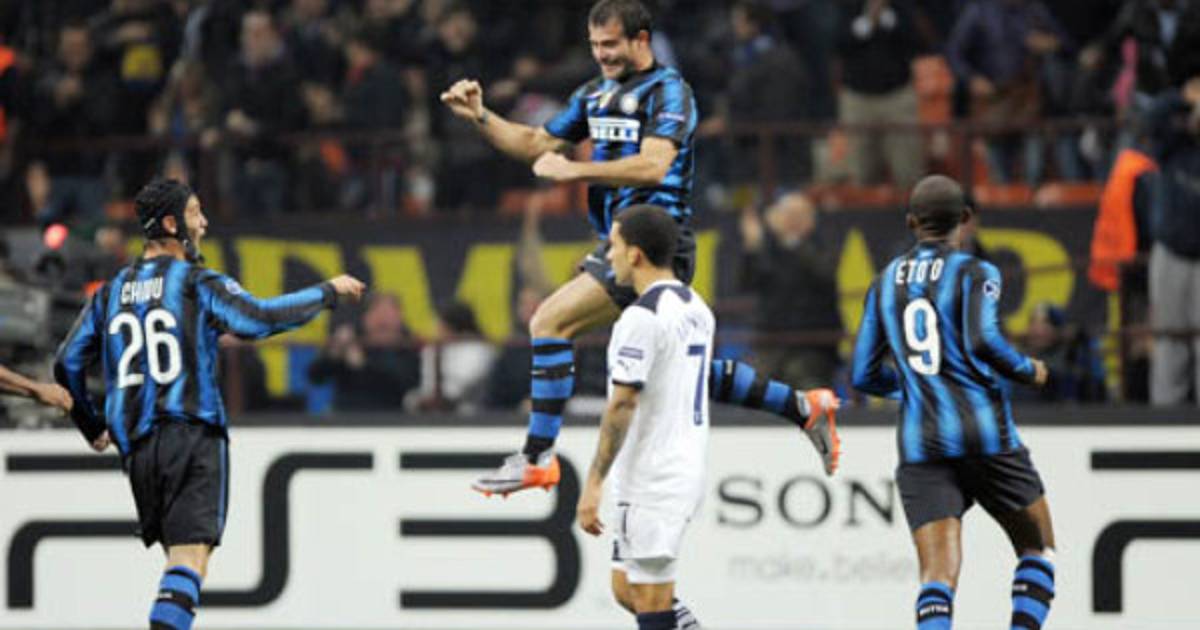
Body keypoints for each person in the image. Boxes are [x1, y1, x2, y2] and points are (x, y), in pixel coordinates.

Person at [441, 0, 839, 496]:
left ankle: (537, 457)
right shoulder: (594, 94)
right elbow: (535, 143)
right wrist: (481, 116)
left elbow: (653, 165)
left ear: (641, 40)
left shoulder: (670, 92)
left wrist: (575, 169)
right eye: (595, 46)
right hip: (619, 244)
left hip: (654, 242)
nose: (602, 55)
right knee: (675, 368)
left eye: (611, 44)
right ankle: (803, 406)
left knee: (549, 322)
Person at [54, 178, 365, 630]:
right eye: (195, 213)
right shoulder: (195, 282)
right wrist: (327, 292)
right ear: (171, 223)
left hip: (137, 448)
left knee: (177, 565)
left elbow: (66, 363)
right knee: (190, 560)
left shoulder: (110, 291)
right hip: (190, 434)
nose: (204, 223)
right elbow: (257, 320)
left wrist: (90, 423)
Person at [851, 175, 1056, 630]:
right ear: (965, 219)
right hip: (986, 437)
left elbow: (862, 374)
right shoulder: (978, 272)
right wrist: (1028, 369)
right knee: (1037, 549)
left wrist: (918, 386)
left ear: (911, 222)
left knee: (937, 576)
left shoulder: (884, 283)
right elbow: (983, 340)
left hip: (921, 444)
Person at [576, 205, 711, 630]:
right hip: (680, 466)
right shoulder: (696, 307)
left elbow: (622, 404)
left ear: (635, 254)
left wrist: (593, 481)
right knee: (626, 589)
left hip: (654, 478)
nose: (607, 256)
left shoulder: (641, 318)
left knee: (652, 604)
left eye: (613, 246)